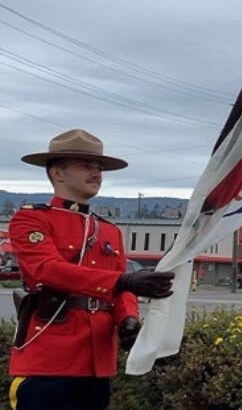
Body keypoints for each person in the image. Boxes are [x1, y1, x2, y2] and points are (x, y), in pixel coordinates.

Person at [8, 128, 175, 410]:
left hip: (97, 360)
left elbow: (122, 290)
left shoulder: (109, 230)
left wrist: (128, 320)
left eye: (99, 168)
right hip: (49, 356)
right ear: (58, 174)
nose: (97, 174)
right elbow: (47, 269)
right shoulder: (30, 219)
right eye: (86, 166)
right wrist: (124, 281)